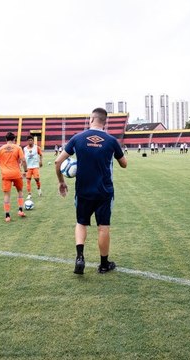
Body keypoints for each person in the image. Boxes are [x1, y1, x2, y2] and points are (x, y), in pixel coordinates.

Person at [55, 108, 127, 275]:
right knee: (103, 227)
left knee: (81, 222)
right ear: (105, 121)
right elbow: (124, 164)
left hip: (83, 190)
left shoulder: (77, 138)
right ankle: (103, 265)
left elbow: (58, 162)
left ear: (91, 119)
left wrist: (61, 182)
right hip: (104, 191)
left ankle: (80, 257)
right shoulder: (111, 140)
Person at [0, 132, 28, 222]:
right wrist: (25, 171)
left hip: (5, 175)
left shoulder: (1, 149)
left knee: (6, 195)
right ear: (14, 139)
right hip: (16, 173)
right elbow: (23, 160)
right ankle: (20, 210)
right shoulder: (18, 147)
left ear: (6, 139)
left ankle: (7, 216)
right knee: (20, 191)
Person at [23, 135, 43, 199]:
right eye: (29, 140)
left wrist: (40, 161)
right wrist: (22, 165)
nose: (30, 141)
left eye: (31, 140)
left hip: (35, 166)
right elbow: (23, 158)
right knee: (28, 180)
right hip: (28, 167)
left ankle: (39, 189)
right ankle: (29, 194)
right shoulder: (25, 149)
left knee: (37, 179)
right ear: (27, 141)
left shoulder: (37, 147)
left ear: (33, 141)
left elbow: (41, 154)